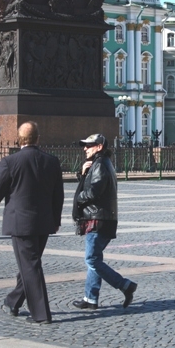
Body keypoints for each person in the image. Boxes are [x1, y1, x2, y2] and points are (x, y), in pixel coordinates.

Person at [0, 122, 64, 324]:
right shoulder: (52, 161)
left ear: (19, 139)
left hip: (21, 223)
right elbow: (58, 195)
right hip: (44, 222)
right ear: (38, 138)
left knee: (30, 265)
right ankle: (14, 300)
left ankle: (42, 314)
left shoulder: (11, 162)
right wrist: (56, 219)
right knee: (30, 264)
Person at [71, 133, 137, 310]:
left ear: (99, 147)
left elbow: (94, 191)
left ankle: (125, 285)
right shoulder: (100, 163)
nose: (85, 148)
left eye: (89, 145)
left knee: (92, 259)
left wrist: (78, 198)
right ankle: (91, 298)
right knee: (95, 258)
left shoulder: (99, 164)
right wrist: (83, 174)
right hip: (102, 217)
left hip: (98, 218)